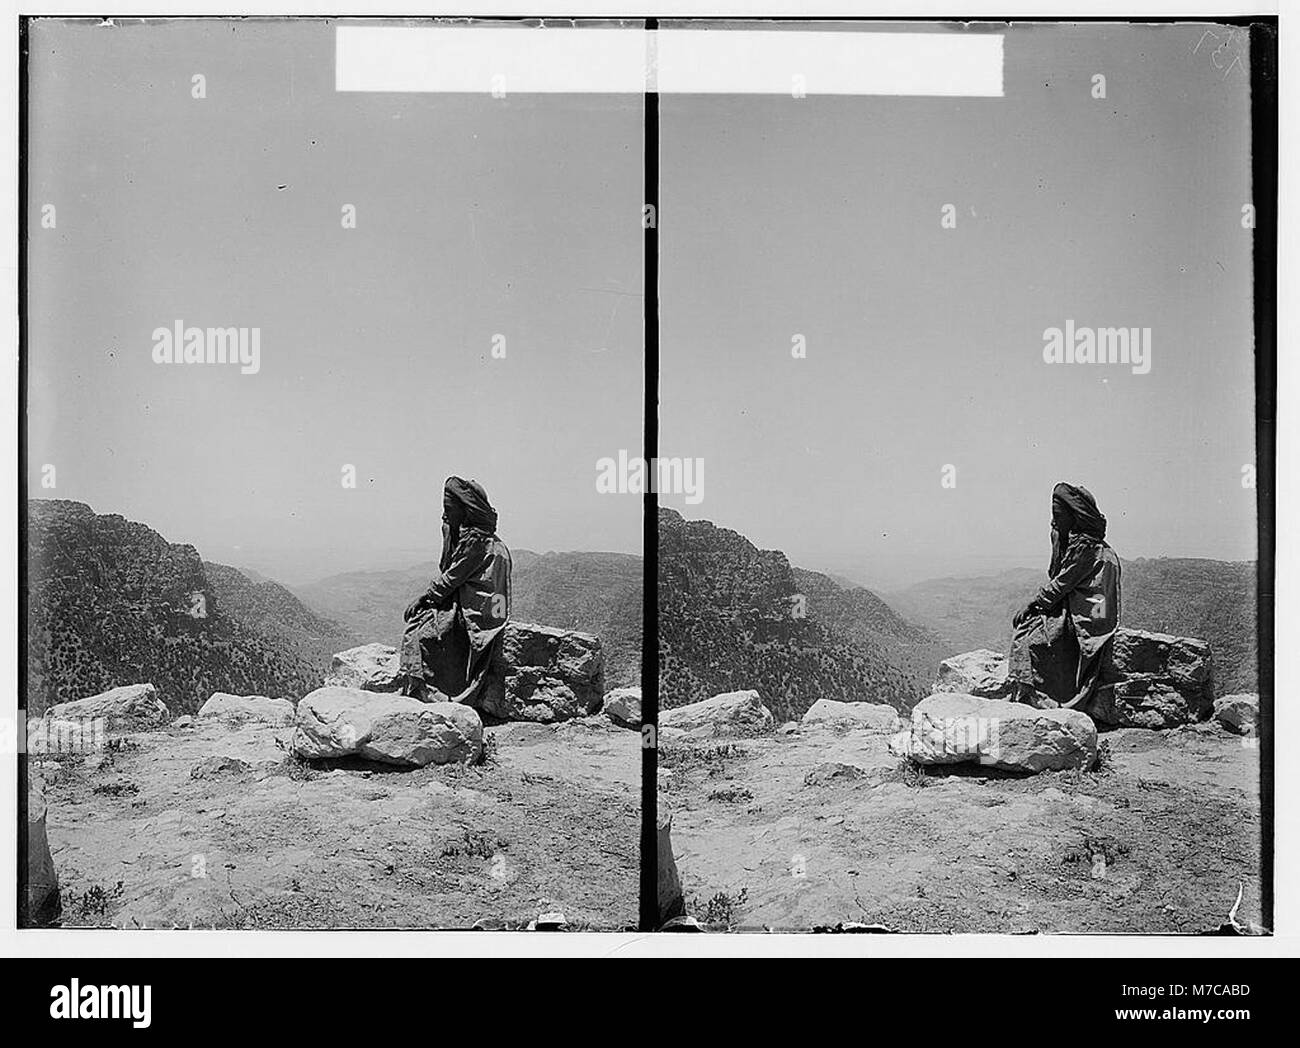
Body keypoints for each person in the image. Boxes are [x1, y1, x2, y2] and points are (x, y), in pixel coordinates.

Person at [1008, 482, 1121, 711]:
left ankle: (1041, 698)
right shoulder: (1081, 542)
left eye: (1058, 515)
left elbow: (1062, 583)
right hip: (1087, 604)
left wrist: (1033, 603)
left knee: (1032, 637)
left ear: (1074, 515)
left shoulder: (1086, 547)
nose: (1055, 520)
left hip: (1091, 612)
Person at [398, 477, 512, 705]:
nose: (444, 515)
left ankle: (434, 694)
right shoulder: (484, 538)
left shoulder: (475, 542)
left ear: (466, 510)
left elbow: (451, 578)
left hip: (481, 611)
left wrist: (424, 598)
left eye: (449, 510)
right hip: (493, 608)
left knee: (421, 631)